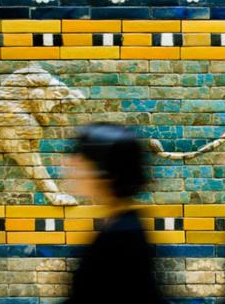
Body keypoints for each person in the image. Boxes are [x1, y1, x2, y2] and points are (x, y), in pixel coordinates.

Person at [64, 123, 164, 304]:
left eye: (82, 157)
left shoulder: (122, 235)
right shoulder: (123, 224)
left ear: (106, 171)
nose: (71, 162)